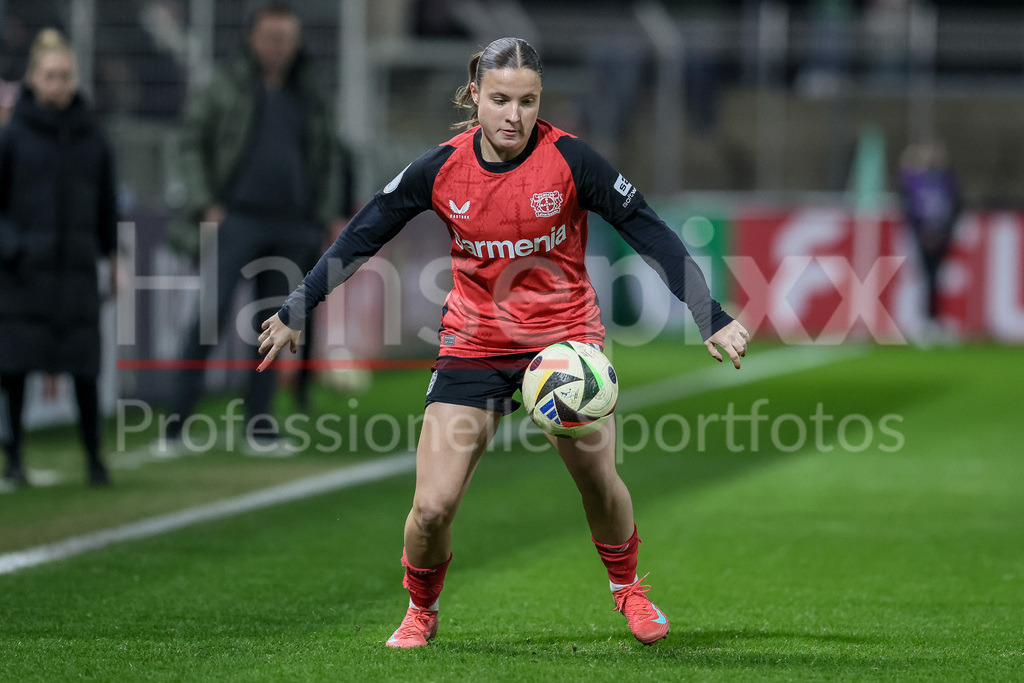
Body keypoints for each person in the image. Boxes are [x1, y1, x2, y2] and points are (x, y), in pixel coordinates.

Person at [258, 37, 750, 647]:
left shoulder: (571, 160)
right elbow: (362, 233)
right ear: (474, 96)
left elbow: (649, 231)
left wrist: (710, 315)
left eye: (527, 100)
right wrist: (297, 308)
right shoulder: (440, 168)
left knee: (598, 481)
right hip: (475, 344)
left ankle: (629, 591)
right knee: (432, 508)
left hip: (565, 348)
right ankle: (421, 607)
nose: (514, 115)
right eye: (499, 100)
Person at [161, 1, 337, 453]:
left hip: (293, 223)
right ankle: (175, 425)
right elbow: (191, 142)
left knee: (274, 327)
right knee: (208, 318)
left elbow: (327, 154)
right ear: (252, 39)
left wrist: (325, 212)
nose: (279, 47)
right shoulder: (225, 87)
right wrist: (206, 202)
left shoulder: (309, 91)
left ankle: (259, 426)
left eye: (287, 39)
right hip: (236, 217)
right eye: (271, 37)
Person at [0, 28, 118, 488]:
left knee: (84, 368)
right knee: (14, 370)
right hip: (22, 275)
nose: (58, 84)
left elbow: (107, 204)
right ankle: (15, 458)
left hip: (75, 274)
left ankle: (94, 458)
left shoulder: (94, 139)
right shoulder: (11, 138)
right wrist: (14, 248)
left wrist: (113, 256)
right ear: (33, 79)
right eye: (50, 75)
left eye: (65, 75)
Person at [898, 141, 960, 339]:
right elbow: (907, 202)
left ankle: (934, 320)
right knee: (920, 278)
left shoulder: (946, 179)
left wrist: (943, 231)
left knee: (936, 279)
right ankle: (919, 320)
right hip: (919, 235)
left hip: (940, 235)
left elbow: (955, 206)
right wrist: (921, 231)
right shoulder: (914, 179)